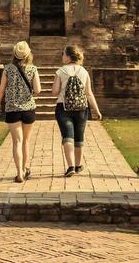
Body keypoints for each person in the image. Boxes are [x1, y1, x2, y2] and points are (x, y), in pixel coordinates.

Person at [0, 40, 40, 183]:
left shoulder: (8, 69)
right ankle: (25, 168)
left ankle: (19, 172)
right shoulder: (33, 69)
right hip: (28, 109)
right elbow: (37, 90)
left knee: (17, 142)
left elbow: (1, 89)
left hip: (12, 109)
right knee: (25, 141)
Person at [52, 43, 101, 177]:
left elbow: (55, 91)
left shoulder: (61, 71)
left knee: (67, 136)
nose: (62, 56)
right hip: (81, 108)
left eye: (63, 54)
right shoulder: (84, 71)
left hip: (63, 107)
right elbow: (89, 93)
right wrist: (96, 110)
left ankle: (71, 166)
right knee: (79, 137)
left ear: (68, 57)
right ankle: (78, 166)